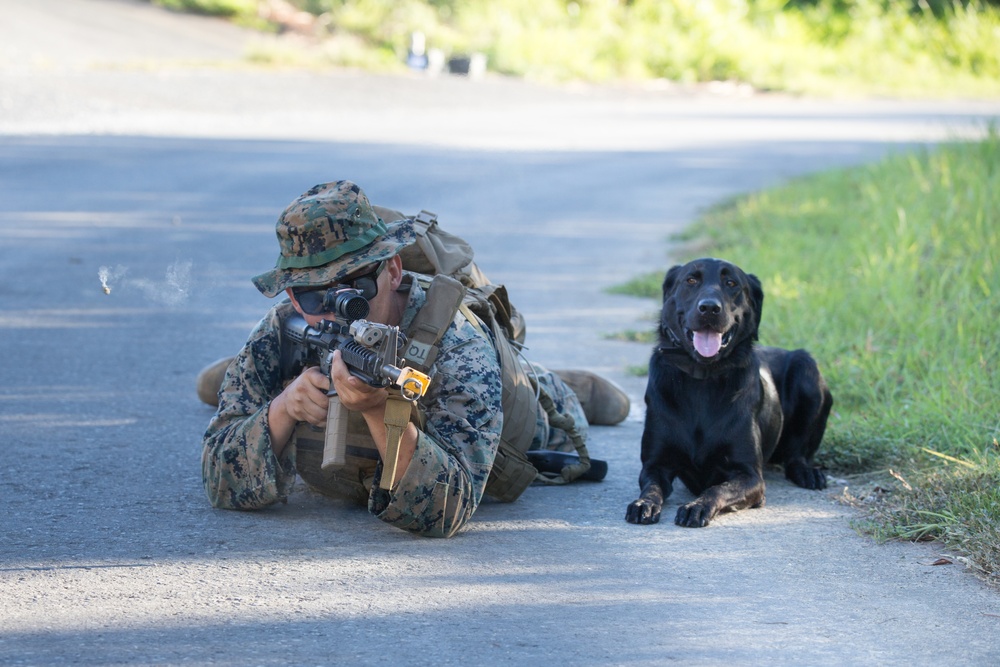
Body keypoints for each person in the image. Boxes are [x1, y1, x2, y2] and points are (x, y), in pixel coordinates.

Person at [199, 180, 629, 538]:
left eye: (353, 290)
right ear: (292, 294)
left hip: (506, 403)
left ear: (393, 271)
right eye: (313, 295)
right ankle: (241, 373)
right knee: (227, 380)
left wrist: (377, 410)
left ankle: (554, 381)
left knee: (537, 402)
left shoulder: (459, 342)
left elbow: (447, 509)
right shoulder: (284, 323)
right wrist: (282, 409)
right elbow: (218, 478)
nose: (335, 311)